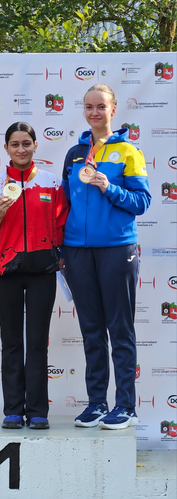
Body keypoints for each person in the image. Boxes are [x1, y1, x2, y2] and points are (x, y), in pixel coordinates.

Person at [62, 84, 152, 430]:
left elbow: (141, 203)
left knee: (120, 328)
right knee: (92, 330)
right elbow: (66, 204)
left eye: (101, 106)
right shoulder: (74, 153)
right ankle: (97, 403)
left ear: (113, 109)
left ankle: (126, 406)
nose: (94, 112)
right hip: (78, 252)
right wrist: (61, 248)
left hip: (117, 249)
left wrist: (109, 187)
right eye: (89, 106)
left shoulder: (129, 151)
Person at [0, 122, 68, 430]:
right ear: (5, 149)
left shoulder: (51, 182)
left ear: (35, 146)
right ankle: (13, 410)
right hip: (6, 271)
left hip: (43, 271)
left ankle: (38, 410)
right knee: (13, 342)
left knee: (37, 343)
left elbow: (60, 226)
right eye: (14, 144)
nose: (20, 149)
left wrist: (61, 259)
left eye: (26, 143)